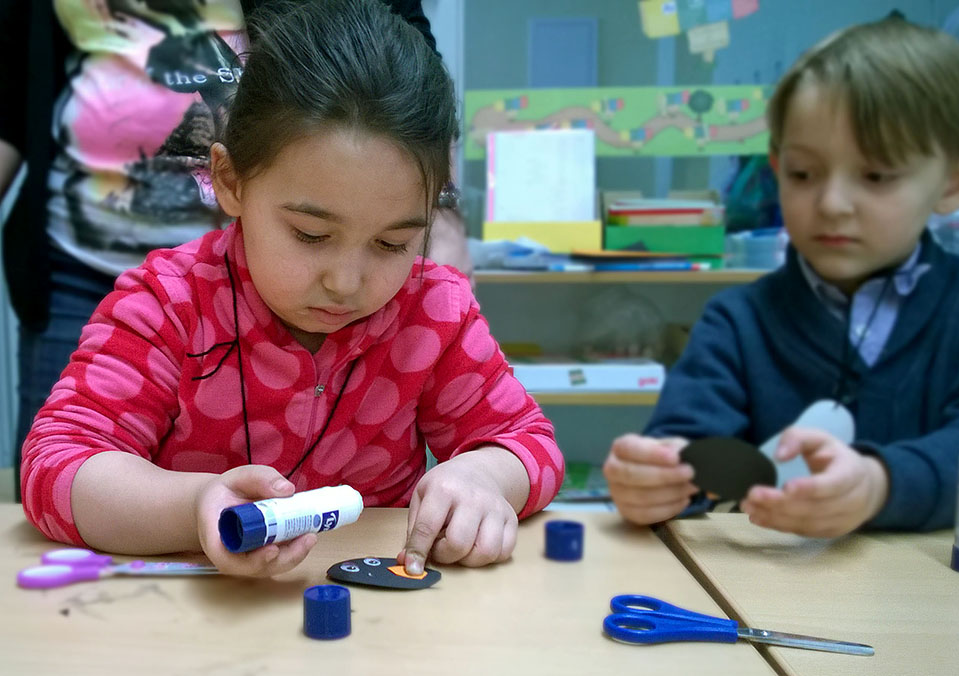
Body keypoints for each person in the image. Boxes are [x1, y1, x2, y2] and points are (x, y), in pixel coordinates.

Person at [20, 0, 564, 578]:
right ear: (230, 181)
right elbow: (56, 467)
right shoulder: (165, 304)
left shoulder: (433, 309)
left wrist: (485, 476)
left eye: (392, 243)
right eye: (310, 234)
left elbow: (529, 442)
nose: (346, 281)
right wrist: (197, 506)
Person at [603, 17, 959, 538]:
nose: (832, 204)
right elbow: (686, 439)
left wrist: (879, 483)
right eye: (803, 174)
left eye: (876, 176)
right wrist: (656, 476)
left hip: (939, 604)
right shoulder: (737, 321)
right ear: (777, 166)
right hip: (764, 594)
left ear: (956, 181)